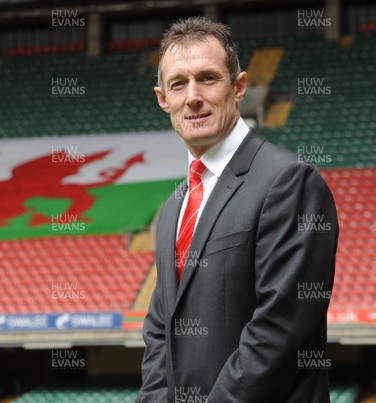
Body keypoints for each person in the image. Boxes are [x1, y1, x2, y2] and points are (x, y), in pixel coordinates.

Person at [137, 16, 338, 402]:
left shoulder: (288, 182)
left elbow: (279, 333)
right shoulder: (172, 209)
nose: (192, 96)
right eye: (179, 83)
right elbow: (160, 334)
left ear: (239, 86)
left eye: (208, 78)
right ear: (163, 99)